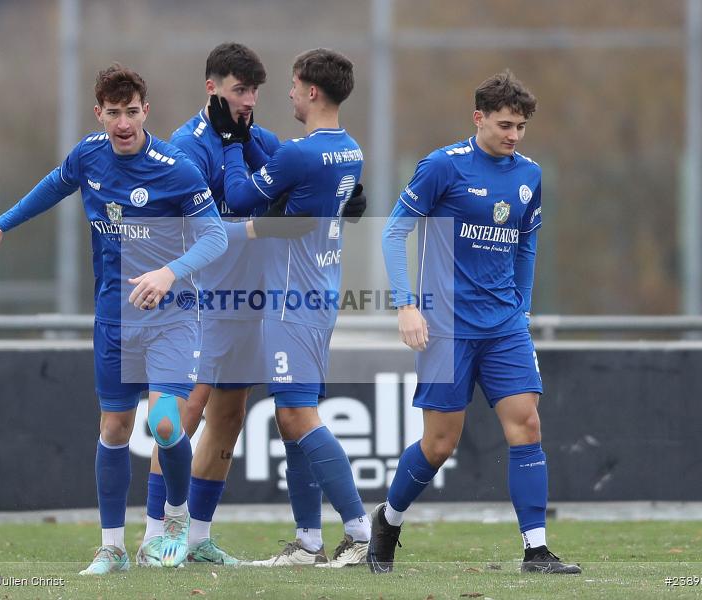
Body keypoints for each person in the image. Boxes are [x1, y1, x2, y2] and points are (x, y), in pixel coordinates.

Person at [0, 64, 228, 573]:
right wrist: (2, 224)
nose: (123, 122)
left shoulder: (176, 168)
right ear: (99, 114)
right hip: (114, 320)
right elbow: (53, 184)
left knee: (166, 423)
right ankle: (112, 548)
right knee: (114, 428)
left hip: (172, 316)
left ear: (145, 111)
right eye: (114, 113)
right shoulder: (89, 155)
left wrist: (169, 273)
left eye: (132, 111)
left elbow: (215, 237)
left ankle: (174, 520)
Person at [370, 70, 580, 575]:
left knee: (526, 425)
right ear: (478, 118)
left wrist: (522, 308)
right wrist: (406, 304)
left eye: (522, 127)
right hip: (446, 327)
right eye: (505, 124)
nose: (513, 135)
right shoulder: (443, 166)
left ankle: (535, 549)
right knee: (440, 444)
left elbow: (527, 242)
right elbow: (394, 234)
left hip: (504, 325)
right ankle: (389, 520)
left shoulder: (529, 175)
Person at [137, 42, 320, 567]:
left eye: (255, 92)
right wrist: (261, 223)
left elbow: (292, 177)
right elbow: (200, 229)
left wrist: (337, 194)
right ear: (212, 87)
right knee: (185, 413)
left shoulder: (253, 137)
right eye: (240, 91)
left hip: (248, 300)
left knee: (229, 417)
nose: (249, 101)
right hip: (201, 299)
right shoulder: (185, 147)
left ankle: (195, 539)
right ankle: (155, 536)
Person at [208, 48, 370, 568]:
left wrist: (233, 141)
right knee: (290, 416)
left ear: (312, 90)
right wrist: (253, 138)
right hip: (318, 293)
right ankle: (307, 542)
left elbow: (240, 193)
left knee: (298, 414)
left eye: (295, 86)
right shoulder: (349, 150)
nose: (290, 94)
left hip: (290, 300)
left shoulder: (302, 154)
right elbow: (290, 175)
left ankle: (362, 532)